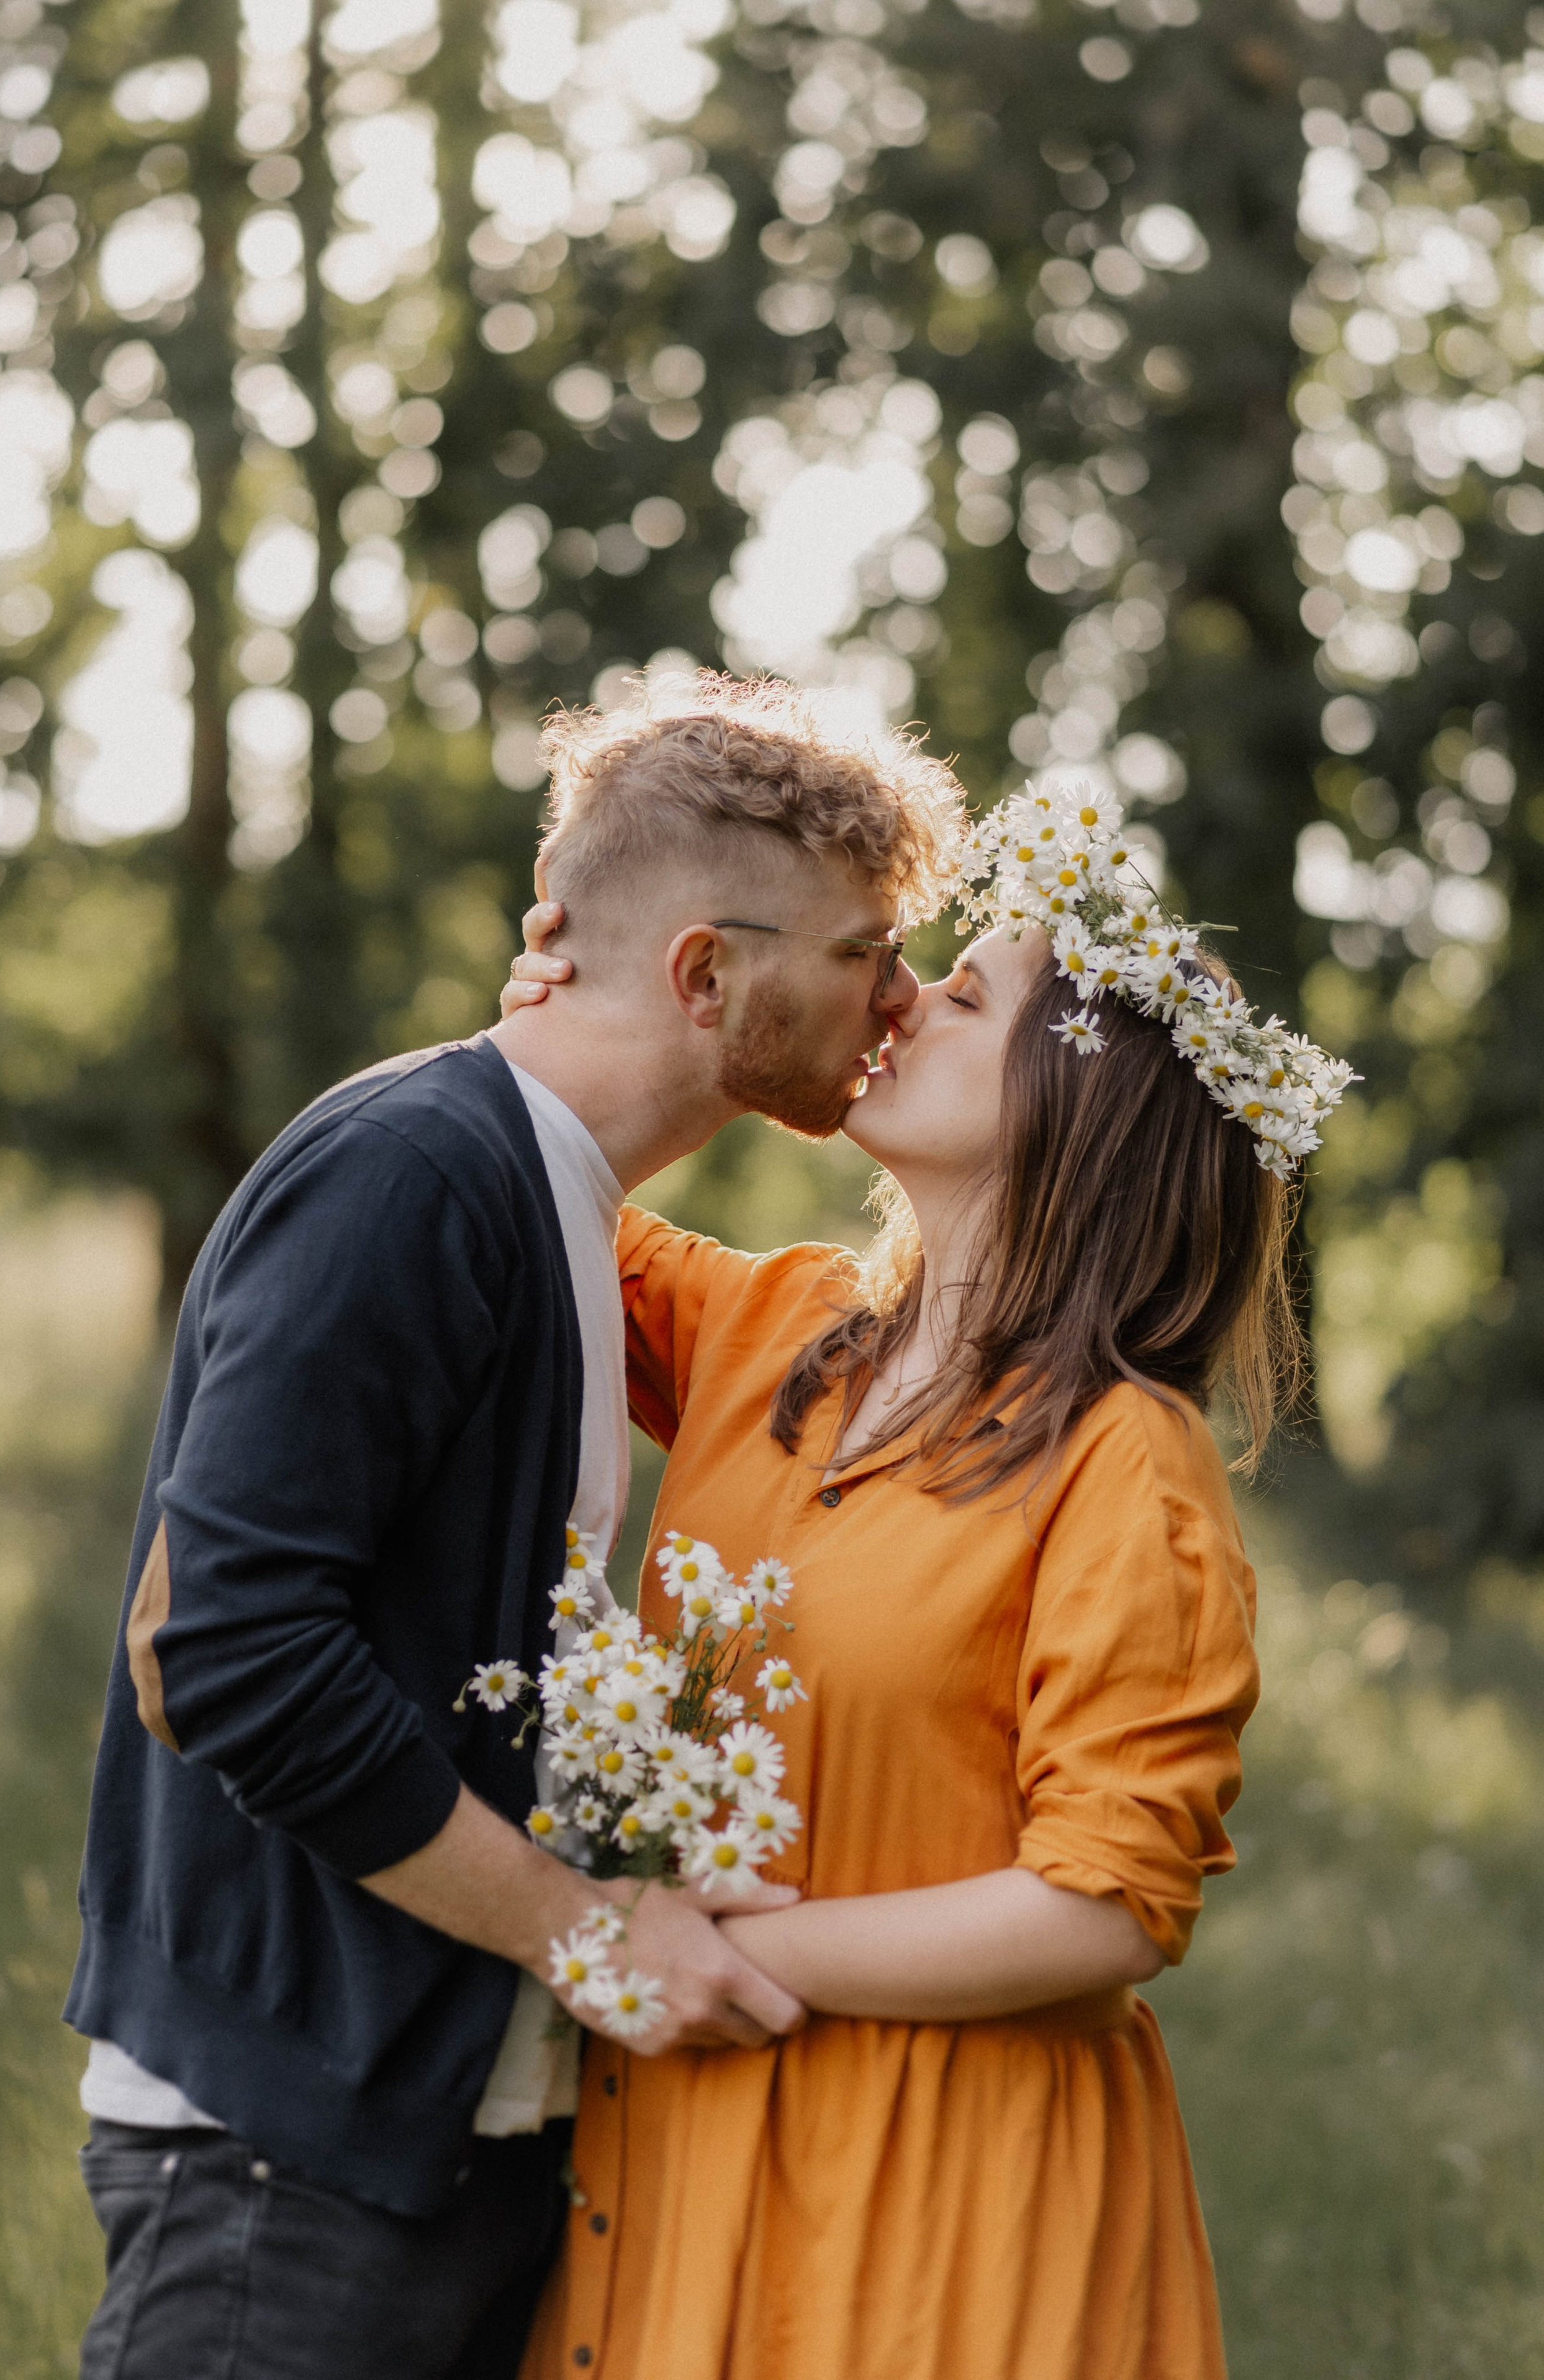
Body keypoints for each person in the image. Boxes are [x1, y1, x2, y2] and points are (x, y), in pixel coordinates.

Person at [65, 674, 965, 2380]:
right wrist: (586, 1924)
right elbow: (221, 1648)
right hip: (288, 2153)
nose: (902, 998)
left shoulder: (547, 1193)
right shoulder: (416, 1171)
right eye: (865, 952)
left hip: (436, 2128)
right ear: (707, 972)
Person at [503, 773, 1349, 2380]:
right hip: (682, 2134)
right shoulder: (774, 1323)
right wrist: (585, 997)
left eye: (962, 994)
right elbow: (529, 1186)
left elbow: (1102, 1904)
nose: (895, 1000)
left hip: (955, 2191)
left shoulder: (1125, 1458)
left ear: (1078, 1108)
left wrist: (707, 1946)